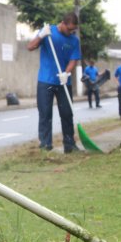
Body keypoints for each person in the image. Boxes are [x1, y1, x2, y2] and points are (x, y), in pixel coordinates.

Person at [26, 13, 81, 152]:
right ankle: (45, 145)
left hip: (63, 82)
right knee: (45, 114)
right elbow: (30, 47)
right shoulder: (48, 31)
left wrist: (67, 73)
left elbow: (73, 60)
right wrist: (41, 35)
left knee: (67, 114)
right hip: (45, 81)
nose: (70, 32)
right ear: (62, 23)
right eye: (69, 29)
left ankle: (69, 145)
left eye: (73, 30)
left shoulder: (74, 40)